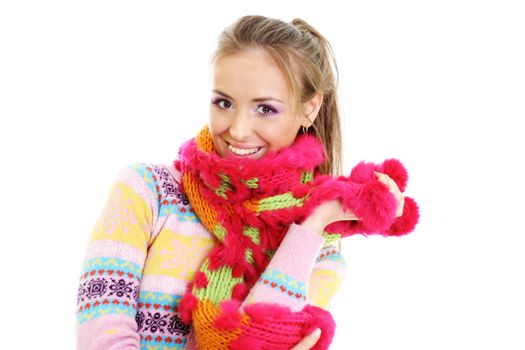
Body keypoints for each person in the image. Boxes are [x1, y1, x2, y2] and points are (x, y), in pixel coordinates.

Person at [76, 15, 406, 350]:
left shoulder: (318, 249)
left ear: (309, 108)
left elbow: (255, 341)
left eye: (264, 109)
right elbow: (100, 340)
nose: (237, 129)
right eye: (224, 103)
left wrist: (313, 224)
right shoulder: (149, 191)